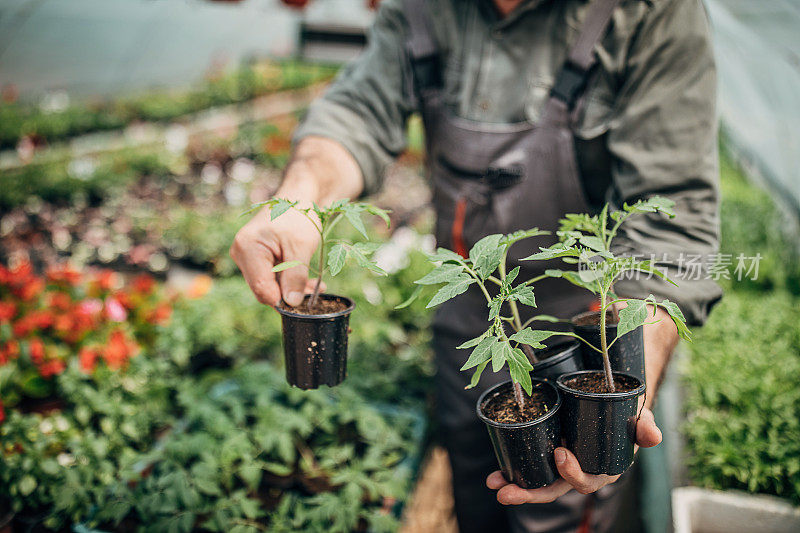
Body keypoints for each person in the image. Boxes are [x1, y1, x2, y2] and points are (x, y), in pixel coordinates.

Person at [231, 0, 722, 530]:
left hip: (580, 347)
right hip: (468, 324)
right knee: (476, 497)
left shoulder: (651, 12)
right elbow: (356, 113)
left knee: (558, 511)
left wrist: (618, 393)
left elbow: (674, 226)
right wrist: (301, 199)